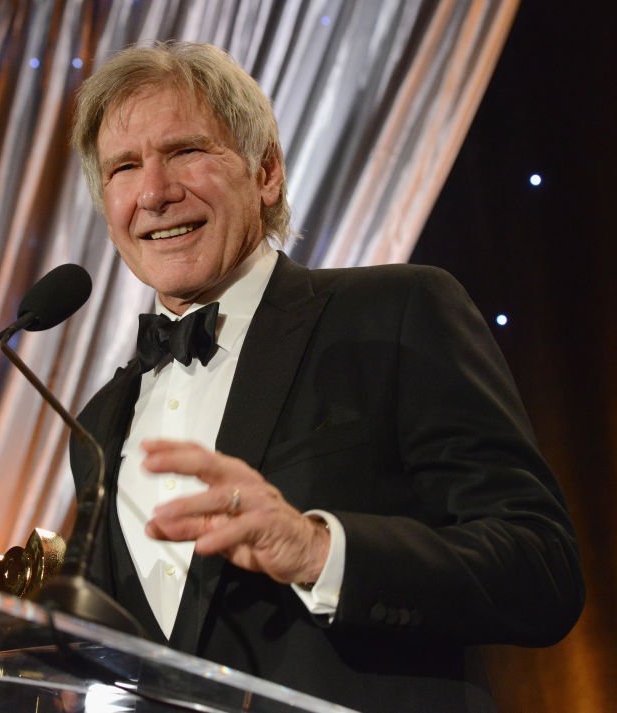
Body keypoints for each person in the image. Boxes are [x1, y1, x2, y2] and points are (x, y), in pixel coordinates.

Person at [67, 41, 584, 712]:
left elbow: (541, 569)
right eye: (125, 167)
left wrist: (319, 550)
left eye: (187, 151)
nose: (156, 191)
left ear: (267, 173)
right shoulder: (96, 420)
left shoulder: (397, 311)